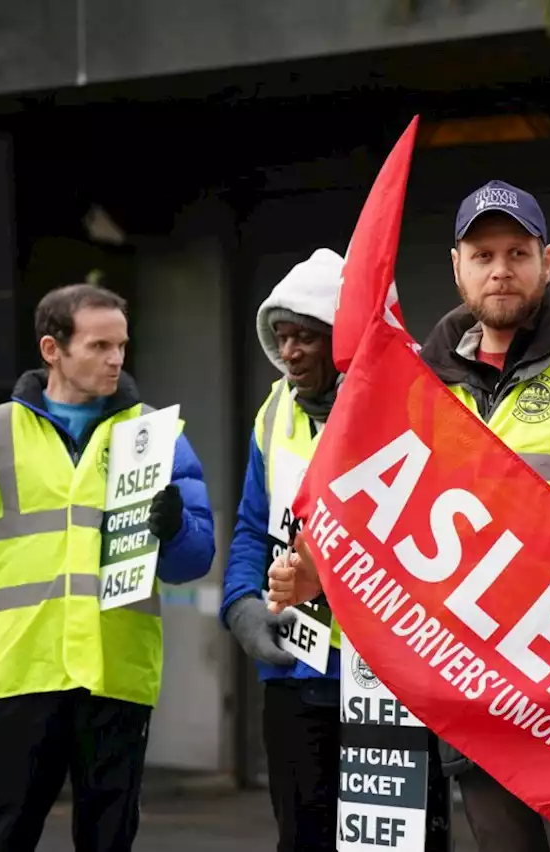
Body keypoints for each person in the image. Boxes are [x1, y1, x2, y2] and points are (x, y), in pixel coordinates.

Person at [267, 179, 550, 852]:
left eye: (517, 253)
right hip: (478, 689)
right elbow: (388, 531)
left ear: (548, 261)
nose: (500, 270)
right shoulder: (419, 382)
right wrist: (320, 575)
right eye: (482, 255)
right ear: (455, 266)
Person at [0, 282, 217, 852]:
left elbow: (192, 562)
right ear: (52, 350)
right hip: (21, 671)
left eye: (121, 346)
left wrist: (177, 527)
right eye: (99, 346)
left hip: (117, 673)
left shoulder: (154, 435)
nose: (116, 359)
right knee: (3, 838)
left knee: (108, 842)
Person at [221, 248, 346, 852]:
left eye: (307, 338)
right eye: (282, 336)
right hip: (294, 669)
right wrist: (241, 605)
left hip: (384, 676)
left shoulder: (397, 406)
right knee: (301, 839)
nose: (291, 352)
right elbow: (250, 526)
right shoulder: (274, 410)